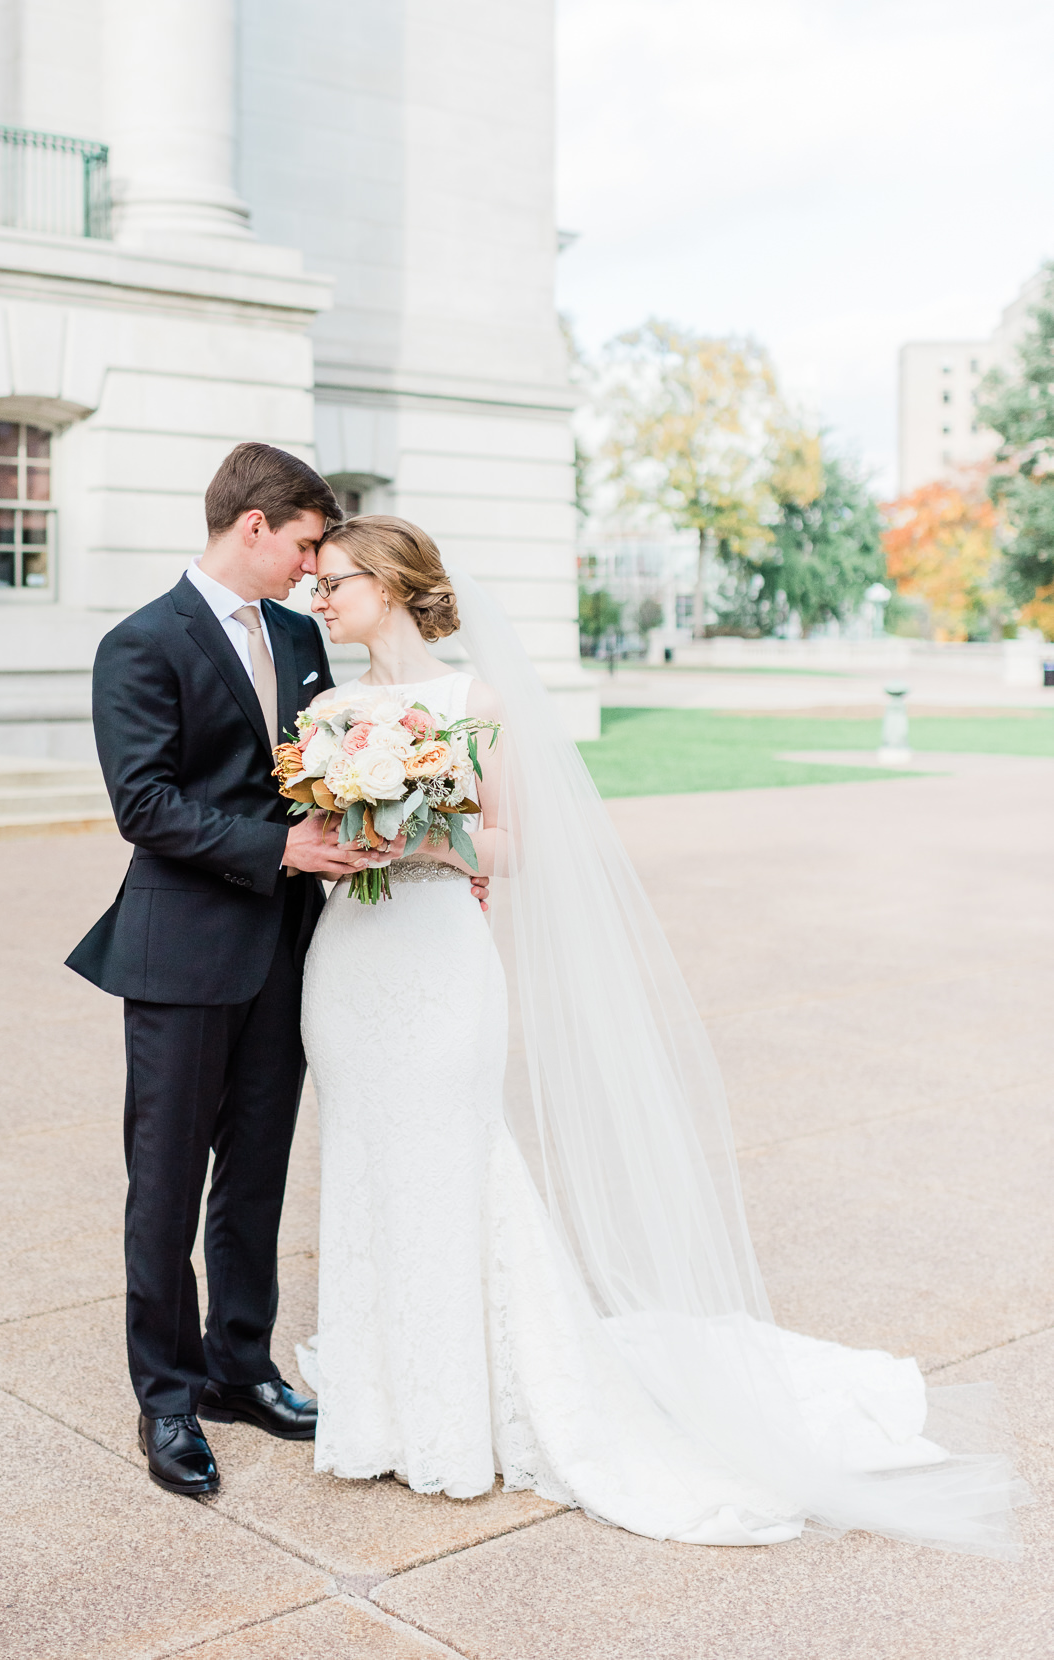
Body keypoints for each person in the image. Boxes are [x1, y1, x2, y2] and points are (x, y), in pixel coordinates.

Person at [297, 515, 1023, 1553]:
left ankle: (458, 1413)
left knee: (453, 1164)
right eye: (315, 585)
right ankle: (378, 1409)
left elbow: (515, 839)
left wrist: (418, 827)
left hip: (439, 957)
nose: (318, 598)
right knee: (365, 1162)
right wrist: (340, 829)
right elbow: (315, 836)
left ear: (394, 583)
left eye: (334, 582)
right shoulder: (327, 710)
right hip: (351, 962)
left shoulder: (474, 702)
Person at [64, 443, 385, 1499]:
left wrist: (385, 829)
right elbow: (144, 803)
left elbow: (313, 772)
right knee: (163, 1183)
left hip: (289, 949)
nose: (308, 568)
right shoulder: (140, 643)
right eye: (301, 546)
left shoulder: (298, 637)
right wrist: (276, 849)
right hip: (182, 947)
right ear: (254, 526)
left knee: (256, 1170)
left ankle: (239, 1368)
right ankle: (166, 1394)